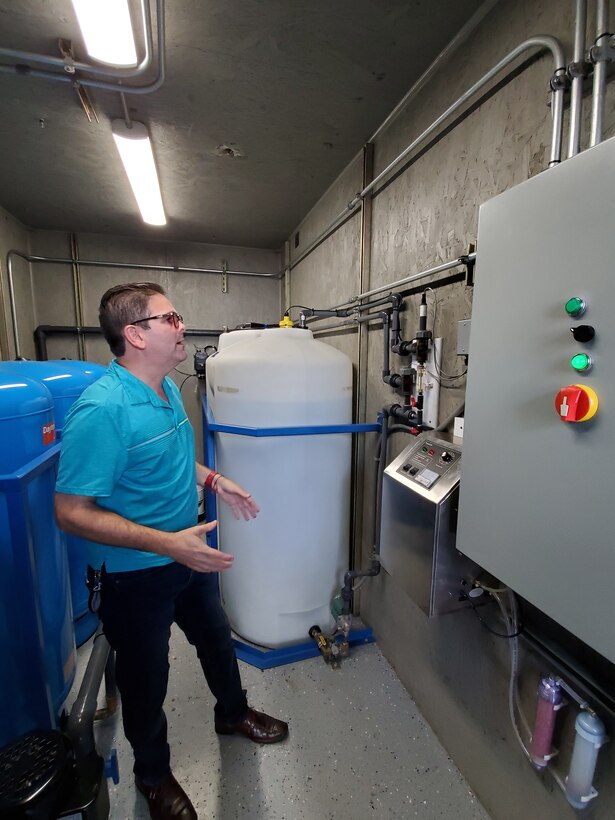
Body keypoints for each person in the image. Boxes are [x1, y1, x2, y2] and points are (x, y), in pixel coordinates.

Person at [55, 282, 288, 820]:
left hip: (188, 556)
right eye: (171, 318)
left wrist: (213, 480)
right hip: (138, 575)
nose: (182, 326)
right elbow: (71, 511)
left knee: (215, 641)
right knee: (146, 680)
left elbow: (167, 464)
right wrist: (166, 543)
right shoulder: (103, 409)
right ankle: (153, 777)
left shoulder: (163, 389)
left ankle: (232, 714)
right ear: (135, 334)